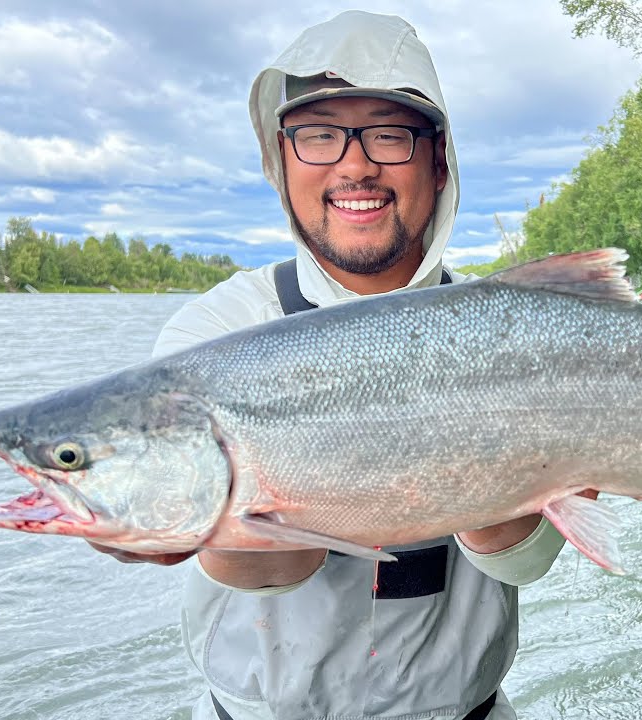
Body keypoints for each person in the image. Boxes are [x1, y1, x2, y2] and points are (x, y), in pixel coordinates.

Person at [91, 12, 571, 719]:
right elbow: (278, 567)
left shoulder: (518, 332)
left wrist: (496, 475)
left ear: (438, 161)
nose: (354, 166)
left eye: (388, 133)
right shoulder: (216, 334)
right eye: (318, 135)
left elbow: (523, 561)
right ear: (279, 159)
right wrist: (181, 518)